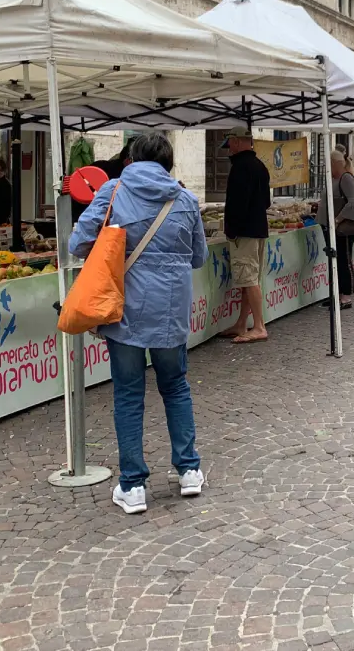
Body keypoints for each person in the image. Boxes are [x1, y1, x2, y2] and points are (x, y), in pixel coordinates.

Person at [69, 131, 207, 515]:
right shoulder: (186, 199)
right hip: (170, 312)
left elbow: (77, 244)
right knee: (176, 386)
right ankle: (189, 469)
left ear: (131, 158)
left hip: (124, 308)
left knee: (128, 395)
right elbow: (199, 257)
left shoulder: (114, 191)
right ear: (169, 163)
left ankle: (133, 486)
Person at [217, 127, 272, 344]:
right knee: (249, 280)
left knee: (248, 279)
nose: (228, 148)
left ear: (238, 142)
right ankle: (241, 323)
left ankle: (259, 326)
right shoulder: (260, 166)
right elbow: (266, 202)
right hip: (258, 229)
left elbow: (238, 204)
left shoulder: (241, 167)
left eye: (230, 143)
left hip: (245, 232)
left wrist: (232, 229)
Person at [318, 150, 354, 309]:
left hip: (342, 228)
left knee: (343, 260)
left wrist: (337, 219)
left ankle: (346, 296)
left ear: (335, 164)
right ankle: (336, 293)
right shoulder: (334, 179)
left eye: (328, 164)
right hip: (330, 226)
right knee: (334, 260)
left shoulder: (346, 178)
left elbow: (353, 203)